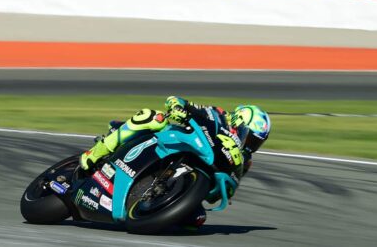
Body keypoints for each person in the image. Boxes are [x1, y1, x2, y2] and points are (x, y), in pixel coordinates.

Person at [79, 96, 271, 228]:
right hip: (176, 144)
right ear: (239, 122)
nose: (252, 145)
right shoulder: (217, 115)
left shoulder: (243, 161)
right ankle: (96, 153)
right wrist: (179, 108)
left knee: (195, 221)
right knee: (153, 117)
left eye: (257, 143)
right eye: (251, 138)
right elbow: (180, 102)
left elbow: (220, 195)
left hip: (191, 183)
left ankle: (149, 208)